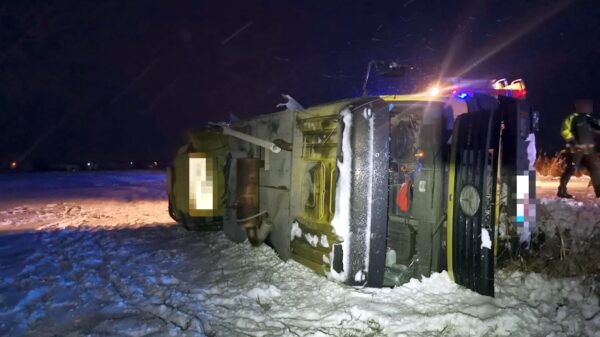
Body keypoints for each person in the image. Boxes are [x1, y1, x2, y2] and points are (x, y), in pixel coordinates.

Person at [557, 99, 600, 198]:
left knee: (595, 170)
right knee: (570, 169)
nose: (589, 108)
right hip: (575, 151)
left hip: (589, 150)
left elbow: (597, 128)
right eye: (587, 106)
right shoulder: (571, 118)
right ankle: (562, 191)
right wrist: (574, 142)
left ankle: (599, 191)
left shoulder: (590, 118)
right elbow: (564, 131)